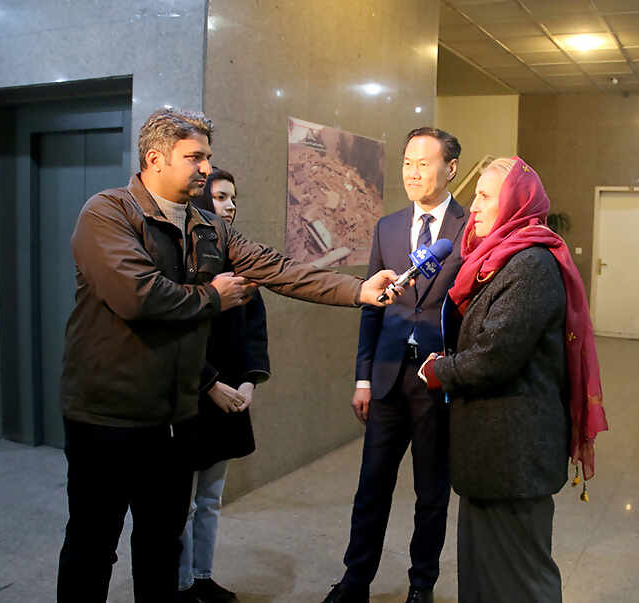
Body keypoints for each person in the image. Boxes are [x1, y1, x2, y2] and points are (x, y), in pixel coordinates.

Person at [57, 108, 402, 603]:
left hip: (174, 418)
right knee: (92, 546)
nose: (205, 167)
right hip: (106, 416)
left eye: (207, 157)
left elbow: (278, 268)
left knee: (161, 544)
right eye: (194, 157)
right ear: (155, 159)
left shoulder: (208, 227)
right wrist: (213, 297)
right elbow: (138, 297)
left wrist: (359, 290)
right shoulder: (108, 213)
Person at [418, 157, 609, 603]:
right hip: (492, 457)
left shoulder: (531, 264)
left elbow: (495, 357)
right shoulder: (498, 259)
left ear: (516, 203)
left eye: (485, 196)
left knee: (521, 581)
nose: (473, 206)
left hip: (514, 458)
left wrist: (439, 371)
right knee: (483, 574)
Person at [324, 128, 465, 603]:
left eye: (424, 163)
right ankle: (355, 581)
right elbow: (372, 307)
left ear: (451, 169)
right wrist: (362, 377)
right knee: (371, 487)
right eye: (407, 162)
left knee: (431, 493)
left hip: (437, 379)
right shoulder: (388, 227)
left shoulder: (470, 228)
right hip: (386, 375)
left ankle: (421, 585)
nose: (412, 173)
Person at [176, 168, 266, 603]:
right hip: (190, 399)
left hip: (230, 398)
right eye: (220, 197)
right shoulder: (181, 259)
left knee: (211, 499)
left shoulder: (239, 258)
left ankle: (202, 577)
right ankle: (179, 585)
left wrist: (249, 381)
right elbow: (175, 336)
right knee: (180, 503)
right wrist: (211, 384)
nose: (230, 206)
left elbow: (255, 331)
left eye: (233, 198)